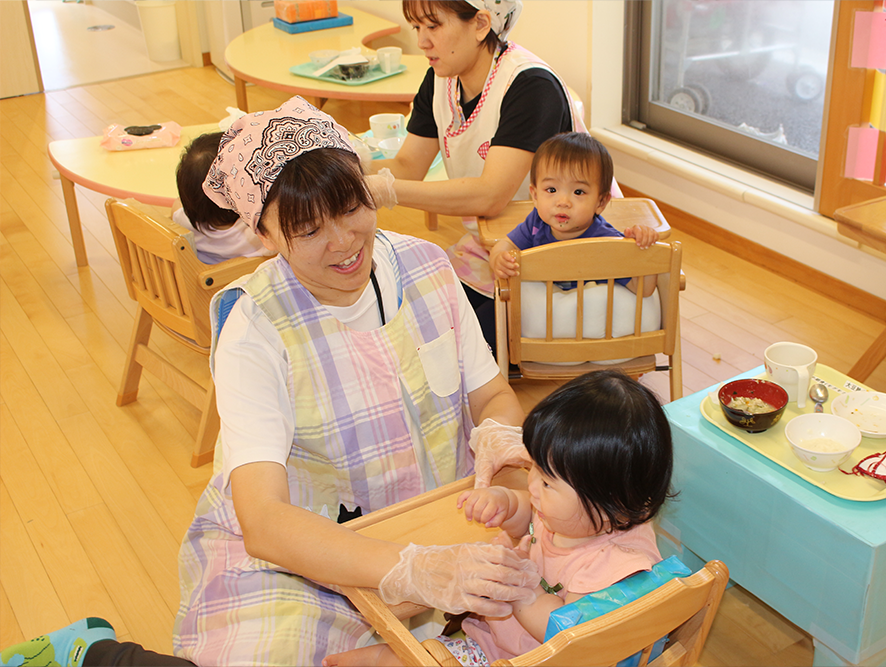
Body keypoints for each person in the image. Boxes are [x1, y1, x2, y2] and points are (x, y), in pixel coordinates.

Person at [0, 96, 541, 667]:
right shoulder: (254, 325)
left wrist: (502, 446)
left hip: (433, 521)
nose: (343, 241)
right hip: (299, 554)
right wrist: (408, 568)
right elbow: (264, 521)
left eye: (351, 205)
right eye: (307, 229)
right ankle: (96, 655)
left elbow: (491, 396)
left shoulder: (427, 266)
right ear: (264, 235)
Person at [324, 370, 676, 666]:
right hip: (498, 638)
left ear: (613, 503)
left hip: (532, 657)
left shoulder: (617, 566)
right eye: (533, 468)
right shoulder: (578, 515)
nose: (533, 486)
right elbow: (532, 519)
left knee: (421, 658)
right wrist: (506, 504)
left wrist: (526, 596)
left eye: (547, 481)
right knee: (403, 653)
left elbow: (569, 636)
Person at [373, 0, 606, 352]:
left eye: (432, 26)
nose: (421, 41)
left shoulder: (530, 86)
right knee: (418, 315)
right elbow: (407, 166)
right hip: (498, 246)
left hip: (560, 249)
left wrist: (385, 191)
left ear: (482, 23)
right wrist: (345, 164)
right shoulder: (442, 77)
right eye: (416, 27)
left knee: (461, 345)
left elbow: (490, 195)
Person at [488, 132, 660, 298]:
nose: (563, 202)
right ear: (535, 195)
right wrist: (498, 259)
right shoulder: (536, 223)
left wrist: (645, 251)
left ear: (601, 202)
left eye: (578, 192)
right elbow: (506, 244)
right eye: (551, 189)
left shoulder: (606, 241)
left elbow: (642, 290)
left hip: (588, 320)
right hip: (544, 319)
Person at [171, 131, 270, 264]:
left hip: (210, 282)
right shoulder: (258, 229)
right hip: (254, 279)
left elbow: (178, 204)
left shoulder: (182, 222)